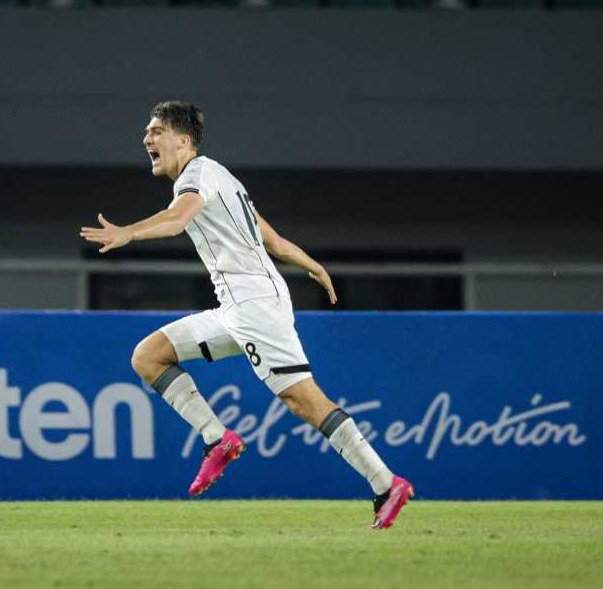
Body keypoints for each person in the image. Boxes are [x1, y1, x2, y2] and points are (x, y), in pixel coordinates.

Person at [80, 101, 413, 529]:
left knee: (303, 401)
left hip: (256, 307)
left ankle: (386, 482)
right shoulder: (221, 177)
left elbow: (179, 219)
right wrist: (313, 265)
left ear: (183, 141)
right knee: (148, 356)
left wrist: (127, 232)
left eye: (155, 131)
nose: (147, 139)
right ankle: (217, 438)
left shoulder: (197, 176)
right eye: (146, 131)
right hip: (236, 307)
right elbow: (270, 239)